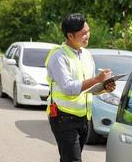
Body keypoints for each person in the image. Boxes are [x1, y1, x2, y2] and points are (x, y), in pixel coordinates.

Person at [45, 13, 115, 162]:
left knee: (69, 159)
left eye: (88, 31)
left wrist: (104, 87)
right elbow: (69, 88)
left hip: (84, 118)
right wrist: (97, 78)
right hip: (63, 118)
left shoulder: (87, 55)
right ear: (70, 35)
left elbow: (89, 88)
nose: (87, 35)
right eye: (83, 33)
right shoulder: (59, 56)